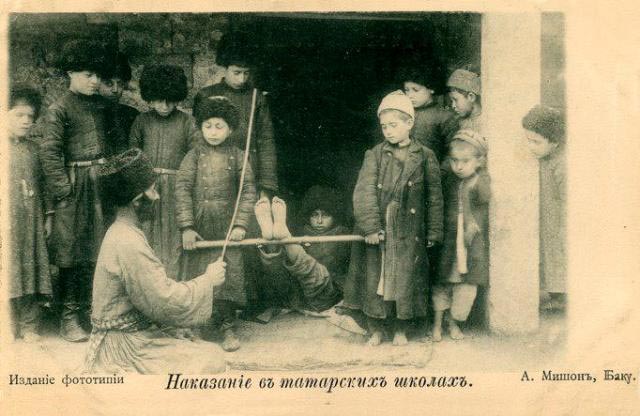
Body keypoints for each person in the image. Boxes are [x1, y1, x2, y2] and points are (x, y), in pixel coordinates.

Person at [85, 148, 227, 374]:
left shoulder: (124, 231)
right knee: (212, 360)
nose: (158, 196)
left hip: (131, 335)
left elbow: (147, 299)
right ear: (137, 201)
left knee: (201, 349)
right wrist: (208, 281)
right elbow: (162, 298)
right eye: (152, 190)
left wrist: (170, 329)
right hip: (126, 348)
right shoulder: (127, 241)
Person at [343, 91, 444, 346]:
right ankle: (376, 328)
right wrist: (370, 227)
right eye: (384, 126)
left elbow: (434, 197)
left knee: (405, 280)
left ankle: (402, 328)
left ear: (409, 123)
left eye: (394, 125)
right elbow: (364, 190)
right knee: (376, 279)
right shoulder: (375, 154)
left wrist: (433, 231)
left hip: (409, 231)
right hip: (380, 229)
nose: (388, 131)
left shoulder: (425, 156)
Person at [39, 39, 117, 342]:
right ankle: (68, 317)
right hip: (74, 187)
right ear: (70, 73)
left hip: (102, 183)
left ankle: (94, 312)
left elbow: (114, 146)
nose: (95, 81)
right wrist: (63, 190)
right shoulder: (59, 109)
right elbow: (49, 152)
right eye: (87, 74)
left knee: (100, 249)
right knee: (72, 251)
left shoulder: (104, 106)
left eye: (98, 75)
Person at [176, 97, 257, 352]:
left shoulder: (238, 156)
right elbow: (182, 189)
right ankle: (196, 325)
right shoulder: (193, 156)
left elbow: (247, 192)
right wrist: (187, 227)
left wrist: (241, 225)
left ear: (230, 129)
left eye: (219, 126)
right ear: (200, 127)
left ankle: (227, 327)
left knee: (227, 278)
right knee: (199, 276)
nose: (213, 132)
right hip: (200, 230)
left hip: (226, 228)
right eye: (208, 126)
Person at [129, 64, 199, 280]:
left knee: (174, 241)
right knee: (147, 239)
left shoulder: (188, 122)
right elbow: (133, 156)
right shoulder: (141, 122)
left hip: (177, 191)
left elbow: (195, 156)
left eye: (171, 99)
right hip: (147, 190)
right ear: (149, 97)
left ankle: (175, 288)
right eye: (159, 99)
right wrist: (144, 186)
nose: (166, 105)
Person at [192, 31, 278, 199]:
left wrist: (266, 186)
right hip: (213, 170)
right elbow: (196, 138)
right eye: (237, 72)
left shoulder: (256, 98)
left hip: (248, 171)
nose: (242, 79)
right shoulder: (206, 95)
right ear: (225, 68)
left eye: (246, 73)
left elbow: (266, 141)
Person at [432, 129, 491, 341]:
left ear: (479, 161)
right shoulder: (448, 181)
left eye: (465, 161)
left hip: (468, 244)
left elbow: (484, 203)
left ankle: (453, 322)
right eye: (454, 160)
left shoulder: (479, 182)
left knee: (466, 286)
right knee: (442, 283)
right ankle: (437, 325)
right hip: (448, 241)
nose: (458, 166)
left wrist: (474, 225)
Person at [253, 187, 348, 313]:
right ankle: (271, 243)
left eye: (325, 215)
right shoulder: (302, 232)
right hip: (297, 296)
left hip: (325, 293)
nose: (319, 221)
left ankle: (285, 239)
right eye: (314, 215)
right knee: (278, 269)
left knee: (317, 273)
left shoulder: (342, 234)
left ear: (335, 217)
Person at [8, 85, 53, 343]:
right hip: (7, 222)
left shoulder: (35, 150)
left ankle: (28, 323)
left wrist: (48, 216)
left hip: (30, 219)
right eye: (19, 115)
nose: (26, 121)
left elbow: (45, 185)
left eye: (31, 117)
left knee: (30, 267)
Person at [522, 105, 567, 311]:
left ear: (554, 142)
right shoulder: (544, 159)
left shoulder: (561, 163)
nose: (530, 146)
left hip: (559, 219)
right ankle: (555, 294)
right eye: (528, 140)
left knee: (559, 253)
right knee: (550, 254)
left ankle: (561, 297)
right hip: (547, 218)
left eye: (536, 142)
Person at [399, 66, 454, 162]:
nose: (410, 95)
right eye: (407, 90)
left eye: (415, 90)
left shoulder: (444, 117)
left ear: (431, 88)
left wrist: (439, 174)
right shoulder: (403, 113)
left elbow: (451, 153)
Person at [99, 52, 139, 154]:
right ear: (97, 83)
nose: (115, 89)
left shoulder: (132, 114)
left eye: (120, 83)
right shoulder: (89, 112)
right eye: (109, 83)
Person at [442, 67, 483, 146]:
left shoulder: (486, 122)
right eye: (451, 101)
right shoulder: (456, 122)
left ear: (471, 97)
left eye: (455, 100)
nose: (453, 106)